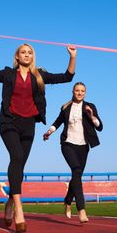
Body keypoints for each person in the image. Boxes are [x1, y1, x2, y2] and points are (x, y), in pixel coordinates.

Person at [0, 38, 76, 233]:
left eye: (30, 52)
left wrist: (72, 57)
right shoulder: (7, 74)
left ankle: (10, 202)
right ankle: (19, 209)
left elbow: (67, 77)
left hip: (29, 125)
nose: (27, 54)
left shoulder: (39, 75)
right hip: (9, 123)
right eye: (23, 52)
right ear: (17, 56)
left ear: (32, 57)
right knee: (17, 157)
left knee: (19, 164)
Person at [43, 82, 103, 223]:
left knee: (76, 175)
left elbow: (100, 127)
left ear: (85, 93)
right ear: (73, 91)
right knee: (76, 170)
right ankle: (81, 210)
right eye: (77, 90)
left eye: (82, 91)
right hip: (68, 144)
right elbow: (58, 122)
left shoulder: (90, 107)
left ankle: (67, 201)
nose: (80, 93)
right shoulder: (65, 107)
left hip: (83, 146)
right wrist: (49, 132)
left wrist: (92, 116)